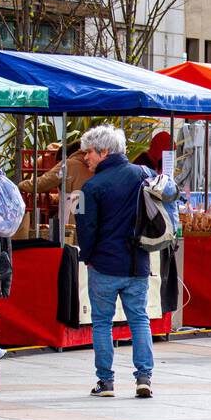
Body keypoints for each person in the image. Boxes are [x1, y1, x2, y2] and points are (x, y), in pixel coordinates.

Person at [76, 124, 155, 398]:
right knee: (139, 319)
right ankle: (144, 378)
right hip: (138, 262)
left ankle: (106, 382)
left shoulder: (91, 187)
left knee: (101, 322)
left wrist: (86, 256)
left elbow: (85, 228)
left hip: (104, 265)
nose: (86, 158)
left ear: (104, 152)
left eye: (89, 152)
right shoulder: (145, 175)